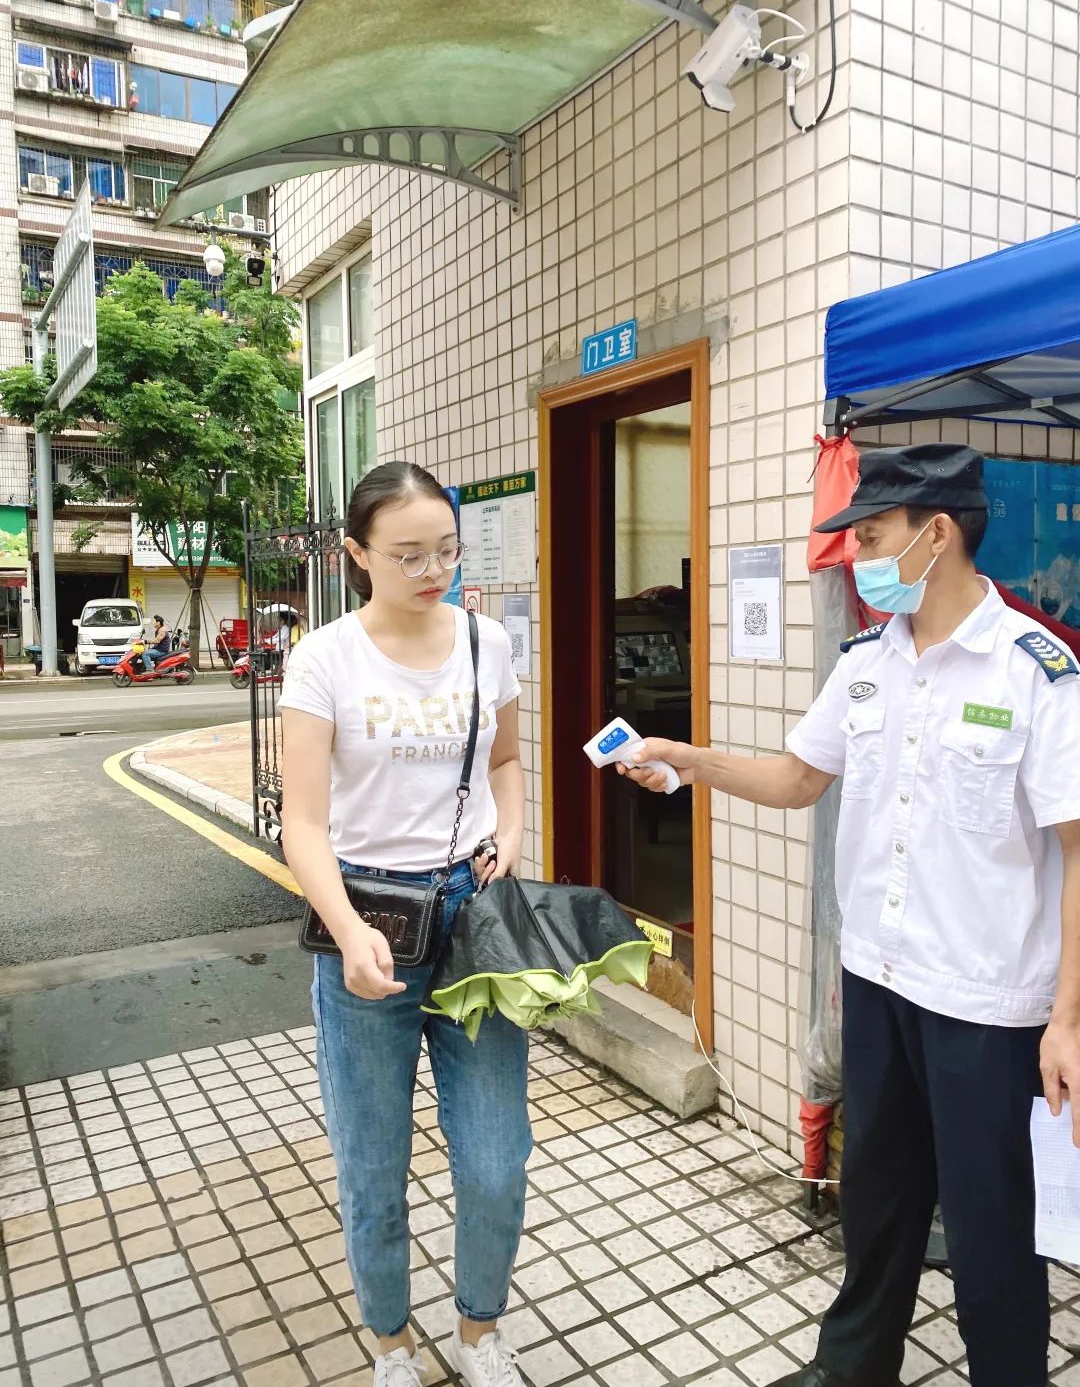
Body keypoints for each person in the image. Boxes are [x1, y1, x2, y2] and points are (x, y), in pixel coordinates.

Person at [621, 442, 1080, 1387]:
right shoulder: (868, 662)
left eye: (872, 537)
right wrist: (688, 758)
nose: (856, 559)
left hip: (989, 1007)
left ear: (937, 535)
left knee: (994, 1229)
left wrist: (1068, 1020)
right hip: (877, 980)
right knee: (877, 1201)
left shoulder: (1038, 672)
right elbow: (798, 778)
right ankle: (853, 1372)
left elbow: (1079, 851)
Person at [278, 461, 532, 1387]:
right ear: (356, 554)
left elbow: (506, 762)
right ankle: (391, 1345)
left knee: (499, 1159)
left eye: (448, 551)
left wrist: (512, 832)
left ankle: (478, 1333)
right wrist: (345, 931)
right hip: (367, 914)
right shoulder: (325, 659)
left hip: (471, 915)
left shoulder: (485, 644)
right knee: (372, 1164)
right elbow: (302, 822)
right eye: (409, 555)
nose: (435, 571)